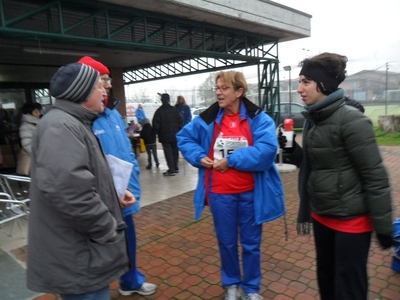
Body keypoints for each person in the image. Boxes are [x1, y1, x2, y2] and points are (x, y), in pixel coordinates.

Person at [279, 52, 393, 300]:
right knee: (327, 283)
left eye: (306, 82)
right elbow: (312, 164)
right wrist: (290, 148)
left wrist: (384, 227)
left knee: (349, 289)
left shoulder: (352, 121)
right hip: (322, 215)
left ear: (324, 85)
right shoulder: (314, 120)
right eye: (300, 81)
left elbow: (375, 176)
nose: (299, 89)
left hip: (351, 222)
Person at [27, 63, 135, 300]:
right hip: (79, 254)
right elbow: (69, 192)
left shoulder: (74, 122)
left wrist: (113, 195)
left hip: (82, 250)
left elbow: (80, 178)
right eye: (99, 86)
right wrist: (107, 227)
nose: (106, 91)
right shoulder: (61, 126)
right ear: (82, 91)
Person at [176, 71, 285, 300]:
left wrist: (231, 160)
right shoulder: (208, 118)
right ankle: (232, 285)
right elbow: (184, 138)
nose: (218, 92)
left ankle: (252, 289)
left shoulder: (259, 119)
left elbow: (266, 152)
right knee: (226, 242)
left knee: (251, 244)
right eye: (217, 88)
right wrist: (198, 156)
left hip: (251, 193)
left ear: (239, 92)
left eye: (224, 88)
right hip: (220, 194)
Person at [78, 56, 157, 296]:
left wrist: (132, 188)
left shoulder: (112, 114)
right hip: (101, 199)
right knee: (99, 248)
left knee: (128, 242)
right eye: (103, 80)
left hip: (124, 194)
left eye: (108, 80)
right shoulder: (82, 119)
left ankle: (130, 282)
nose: (109, 85)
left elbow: (126, 155)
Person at [153, 93, 183, 176]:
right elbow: (180, 120)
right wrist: (179, 130)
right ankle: (175, 167)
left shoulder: (159, 111)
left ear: (162, 100)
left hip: (164, 135)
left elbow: (156, 124)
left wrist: (154, 133)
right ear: (169, 100)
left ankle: (171, 169)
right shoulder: (174, 110)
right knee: (175, 150)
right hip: (175, 134)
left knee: (168, 152)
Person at [16, 103, 41, 175]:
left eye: (39, 111)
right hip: (34, 157)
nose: (39, 113)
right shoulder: (26, 126)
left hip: (38, 156)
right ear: (29, 114)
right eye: (36, 112)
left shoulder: (36, 123)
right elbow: (27, 144)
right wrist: (39, 154)